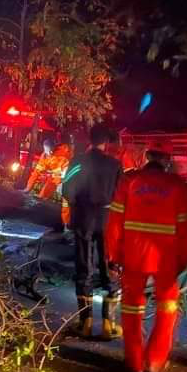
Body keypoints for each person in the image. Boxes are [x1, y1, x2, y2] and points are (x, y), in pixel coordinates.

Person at [105, 140, 187, 372]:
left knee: (131, 308)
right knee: (167, 308)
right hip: (167, 259)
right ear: (167, 160)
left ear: (147, 156)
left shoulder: (129, 181)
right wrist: (184, 260)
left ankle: (135, 363)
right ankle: (155, 362)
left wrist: (113, 256)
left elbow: (114, 222)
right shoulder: (178, 186)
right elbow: (186, 228)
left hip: (132, 255)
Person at [61, 125, 122, 339]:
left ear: (90, 139)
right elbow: (119, 193)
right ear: (107, 142)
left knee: (83, 266)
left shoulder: (78, 161)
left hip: (83, 218)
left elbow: (67, 189)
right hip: (107, 219)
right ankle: (109, 324)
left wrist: (77, 204)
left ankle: (85, 323)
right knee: (108, 265)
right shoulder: (114, 164)